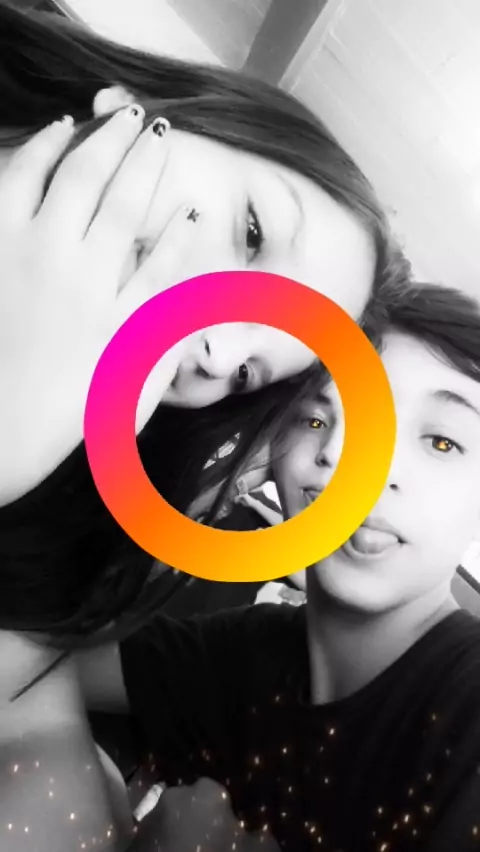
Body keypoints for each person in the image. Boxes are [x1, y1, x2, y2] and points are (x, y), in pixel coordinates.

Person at [77, 283, 480, 852]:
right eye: (317, 419)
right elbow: (34, 668)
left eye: (440, 441)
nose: (351, 460)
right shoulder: (248, 655)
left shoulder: (466, 710)